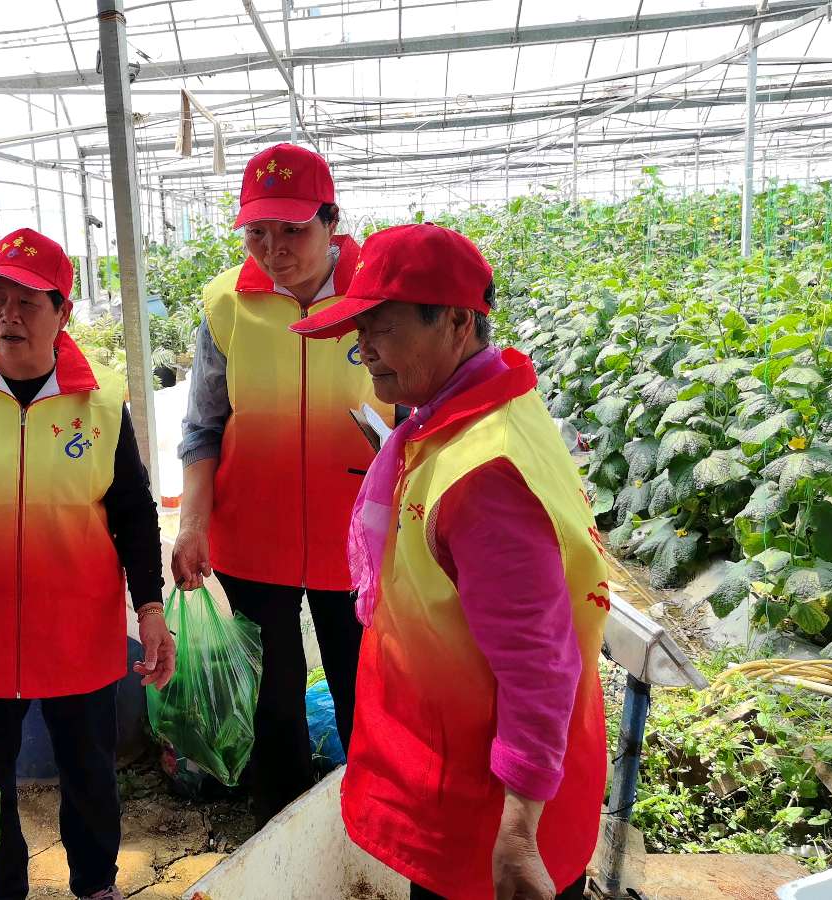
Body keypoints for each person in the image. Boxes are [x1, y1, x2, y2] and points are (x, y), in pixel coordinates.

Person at [289, 224, 609, 900]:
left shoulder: (483, 475)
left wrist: (518, 833)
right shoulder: (485, 409)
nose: (364, 351)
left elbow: (539, 664)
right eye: (358, 331)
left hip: (488, 817)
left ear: (458, 323)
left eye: (382, 327)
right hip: (468, 782)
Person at [0, 228, 173, 900]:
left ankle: (96, 885)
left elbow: (133, 512)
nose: (7, 315)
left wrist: (150, 605)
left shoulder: (100, 400)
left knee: (90, 773)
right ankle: (1, 889)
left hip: (78, 624)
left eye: (27, 302)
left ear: (63, 312)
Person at [171, 142, 389, 825]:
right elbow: (204, 427)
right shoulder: (227, 305)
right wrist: (192, 525)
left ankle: (370, 830)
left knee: (366, 694)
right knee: (272, 702)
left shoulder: (379, 294)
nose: (274, 249)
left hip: (357, 543)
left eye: (292, 229)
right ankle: (282, 830)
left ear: (331, 221)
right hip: (253, 536)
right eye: (257, 232)